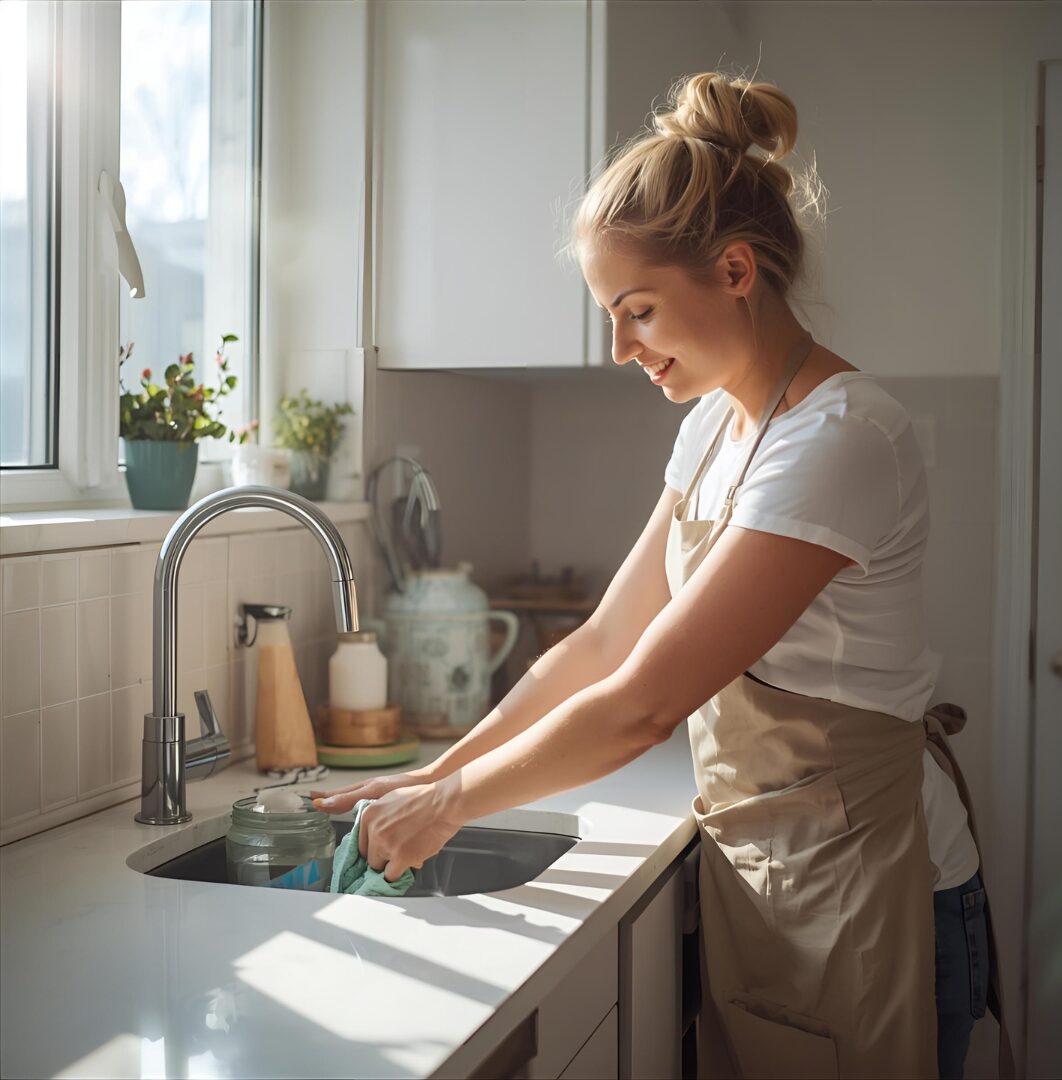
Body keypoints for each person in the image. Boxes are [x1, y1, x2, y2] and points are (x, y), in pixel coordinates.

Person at [313, 72, 1001, 1079]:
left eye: (636, 310)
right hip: (773, 864)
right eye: (609, 314)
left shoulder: (843, 438)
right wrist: (432, 773)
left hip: (880, 882)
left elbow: (642, 703)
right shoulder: (715, 428)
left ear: (734, 270)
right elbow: (603, 643)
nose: (619, 347)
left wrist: (452, 803)